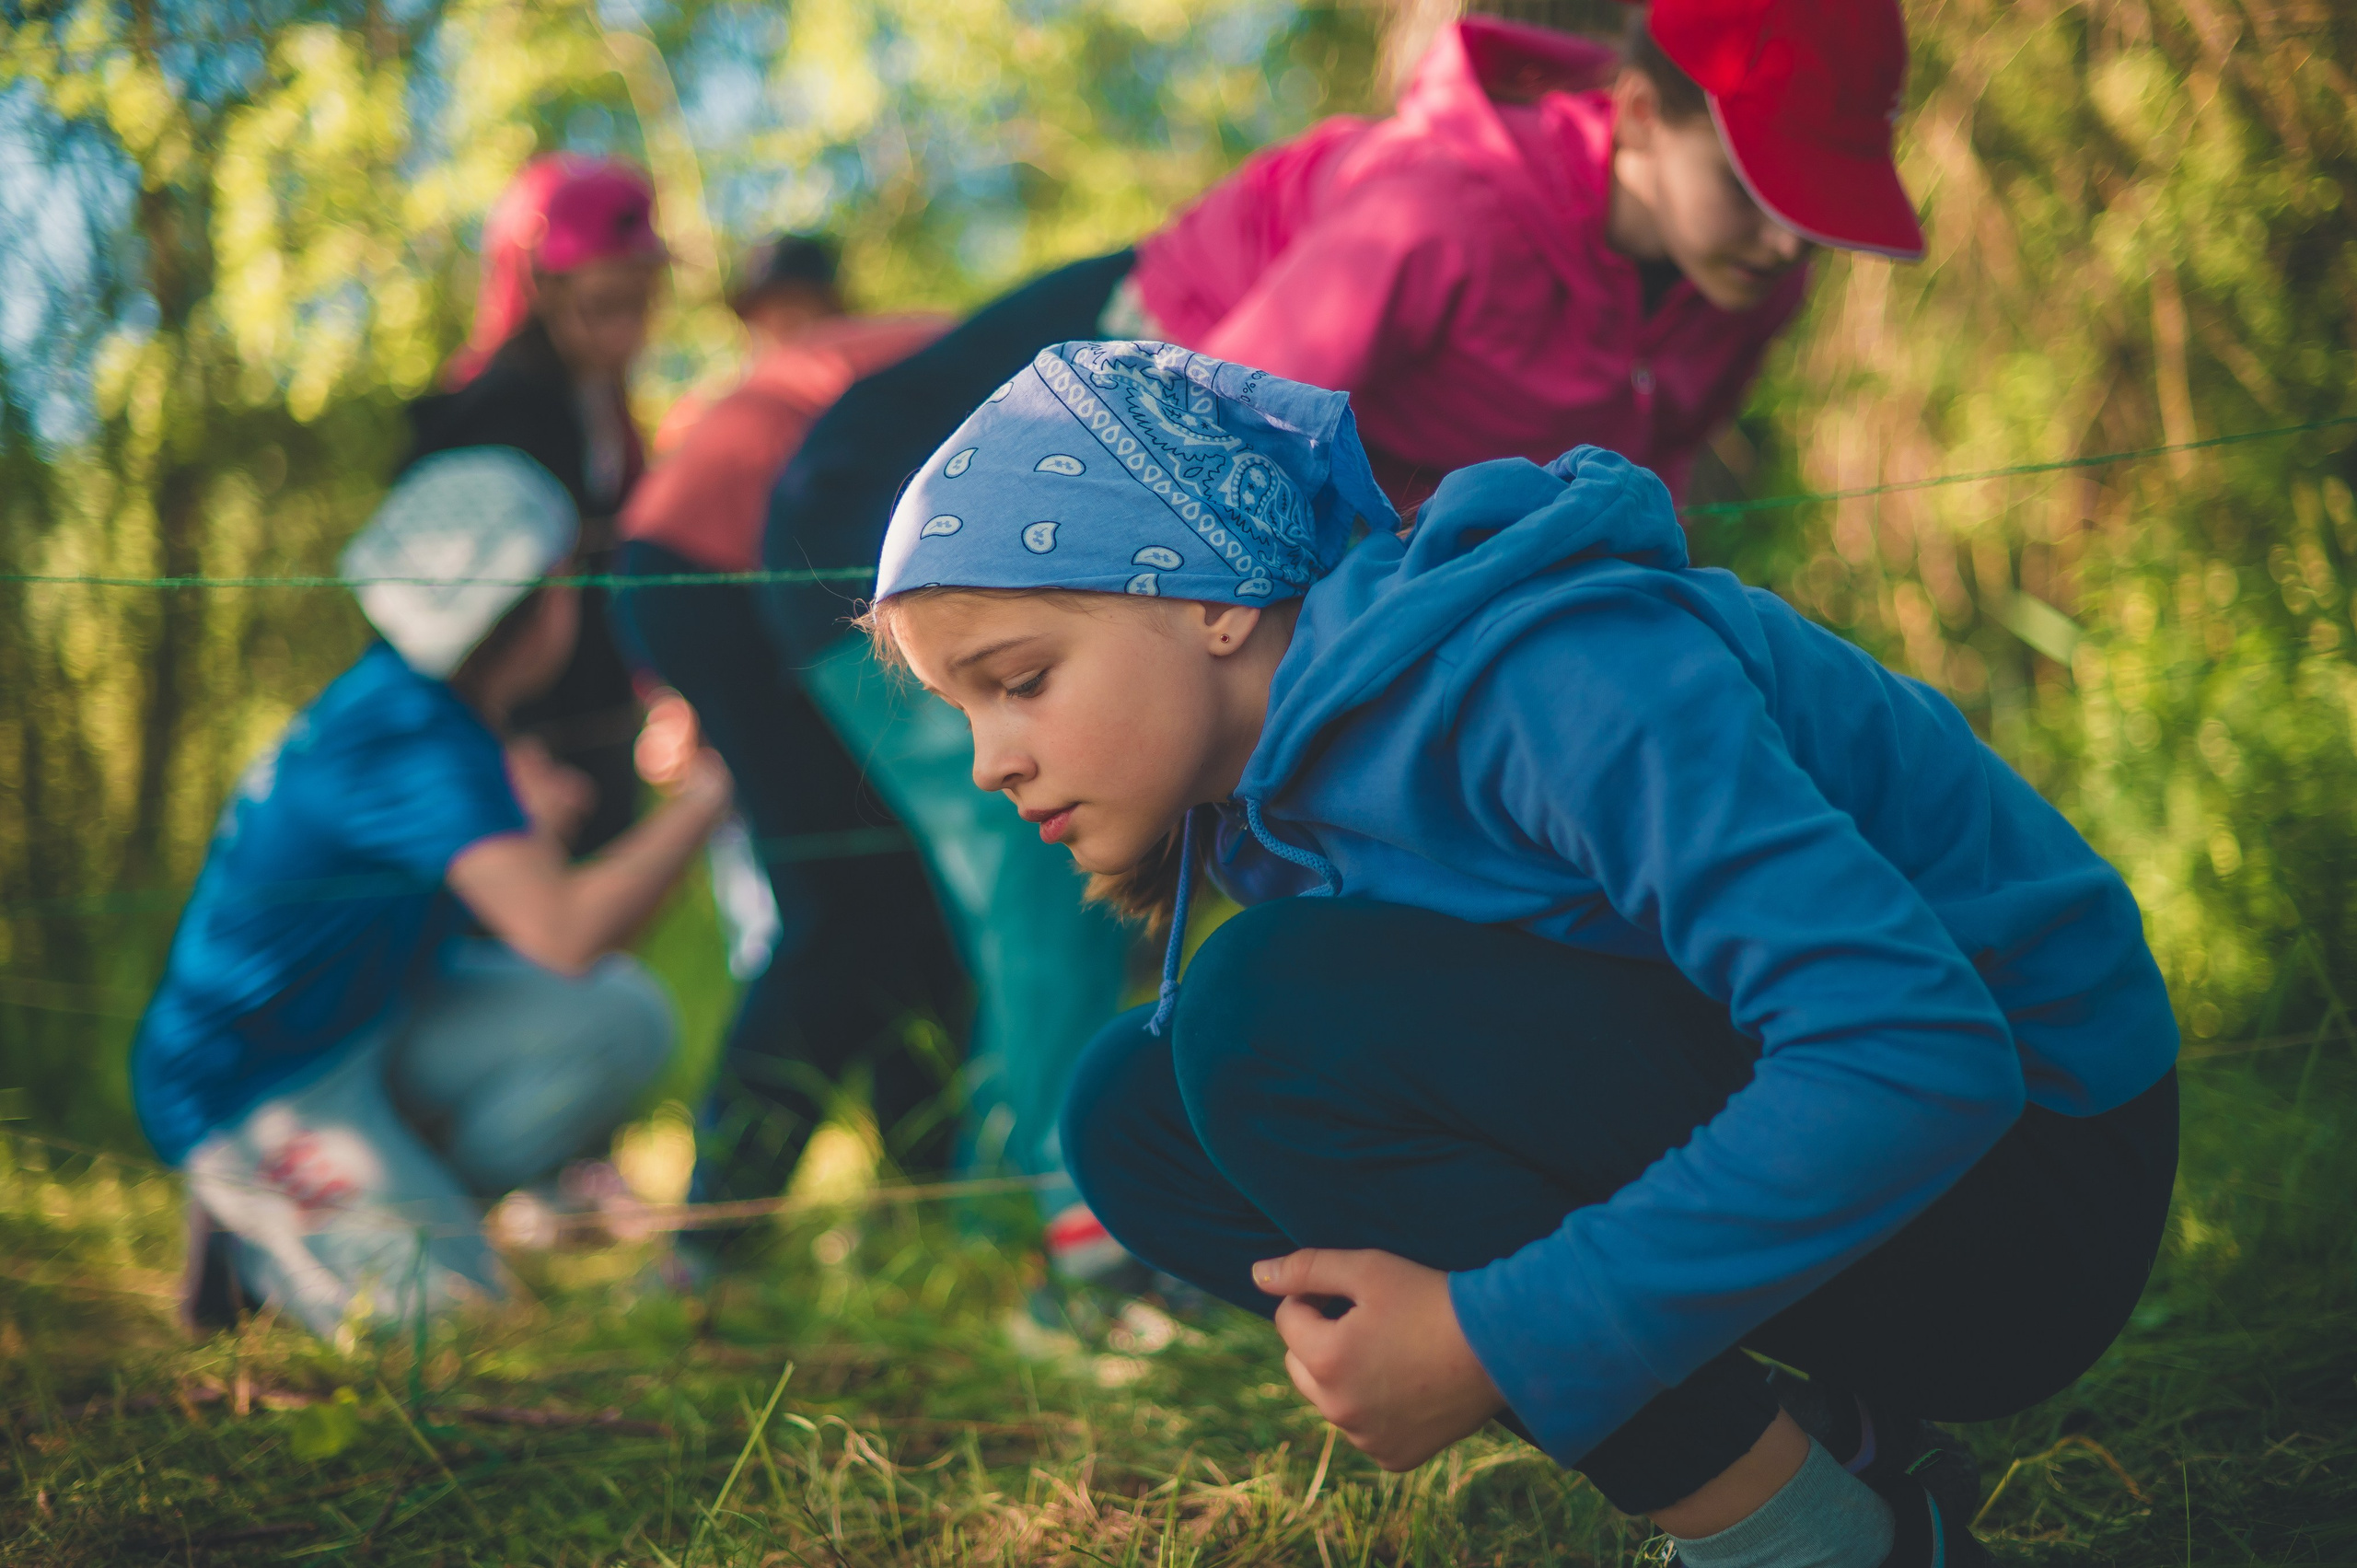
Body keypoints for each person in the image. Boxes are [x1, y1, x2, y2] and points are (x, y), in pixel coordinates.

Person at [855, 341, 2181, 1568]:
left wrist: (1500, 1331)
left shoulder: (1557, 673)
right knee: (1135, 1112)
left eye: (1020, 679)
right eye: (964, 706)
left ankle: (1812, 1544)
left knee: (1262, 1011)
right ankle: (1827, 1472)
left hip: (2028, 1185)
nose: (989, 759)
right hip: (1875, 1181)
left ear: (1207, 600)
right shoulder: (1304, 792)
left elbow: (1918, 1051)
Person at [744, 0, 1925, 1273]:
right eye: (1755, 185)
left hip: (1276, 581)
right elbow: (1198, 465)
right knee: (1050, 851)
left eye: (1816, 200)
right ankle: (1057, 1246)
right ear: (1643, 114)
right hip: (986, 498)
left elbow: (1643, 495)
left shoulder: (1736, 283)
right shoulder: (1442, 209)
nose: (1787, 232)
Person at [134, 448, 732, 1338]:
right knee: (449, 1325)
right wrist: (708, 797)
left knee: (622, 1019)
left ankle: (400, 1189)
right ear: (532, 605)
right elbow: (561, 931)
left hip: (371, 1021)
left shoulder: (416, 711)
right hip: (253, 1084)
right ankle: (252, 1230)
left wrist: (524, 816)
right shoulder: (412, 737)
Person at [610, 236, 970, 1209]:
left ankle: (921, 1179)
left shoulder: (896, 354)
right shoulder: (969, 364)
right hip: (719, 579)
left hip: (713, 573)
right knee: (846, 895)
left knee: (895, 875)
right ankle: (725, 1215)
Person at [406, 156, 668, 852]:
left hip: (597, 723)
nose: (628, 330)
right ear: (540, 288)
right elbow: (450, 609)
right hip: (516, 750)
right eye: (603, 303)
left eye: (641, 301)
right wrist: (503, 735)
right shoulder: (494, 418)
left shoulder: (605, 409)